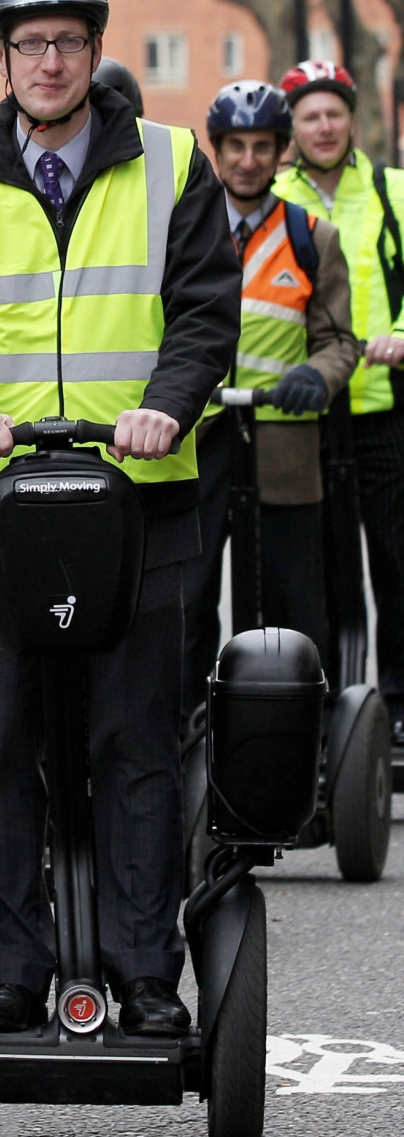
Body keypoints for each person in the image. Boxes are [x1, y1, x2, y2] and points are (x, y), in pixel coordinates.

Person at [0, 0, 240, 1036]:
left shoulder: (175, 165)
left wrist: (167, 406)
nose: (48, 60)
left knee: (133, 740)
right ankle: (5, 963)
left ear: (96, 52)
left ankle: (143, 969)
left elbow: (201, 317)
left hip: (141, 498)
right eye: (28, 44)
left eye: (68, 42)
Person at [182, 80, 358, 726]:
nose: (249, 160)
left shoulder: (314, 236)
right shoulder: (187, 230)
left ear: (282, 152)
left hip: (284, 451)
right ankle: (191, 734)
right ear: (218, 151)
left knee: (293, 608)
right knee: (190, 600)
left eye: (262, 146)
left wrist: (319, 376)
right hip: (197, 448)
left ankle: (299, 745)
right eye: (236, 146)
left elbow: (339, 341)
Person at [275, 60, 404, 746]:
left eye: (334, 113)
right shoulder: (275, 196)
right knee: (317, 573)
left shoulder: (391, 191)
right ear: (291, 127)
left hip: (382, 408)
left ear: (352, 119)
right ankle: (324, 713)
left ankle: (399, 707)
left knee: (396, 564)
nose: (323, 126)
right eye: (309, 115)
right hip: (306, 416)